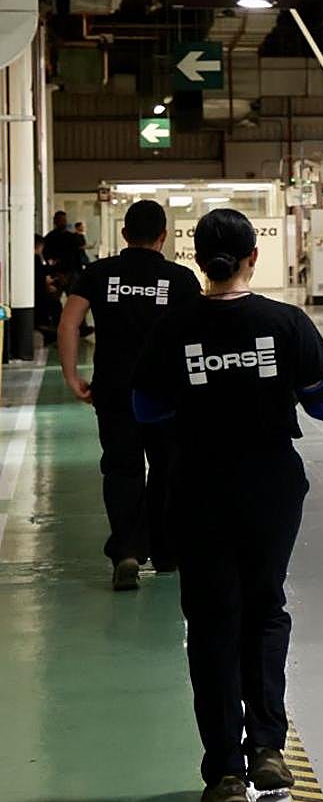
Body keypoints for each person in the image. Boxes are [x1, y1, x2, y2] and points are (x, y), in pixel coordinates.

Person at [132, 209, 323, 802]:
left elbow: (146, 410)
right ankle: (268, 749)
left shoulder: (175, 327)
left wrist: (203, 405)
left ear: (199, 259)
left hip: (197, 485)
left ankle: (223, 772)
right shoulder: (285, 322)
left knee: (211, 622)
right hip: (270, 486)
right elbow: (322, 406)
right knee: (264, 608)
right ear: (254, 256)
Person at [58, 200, 202, 591]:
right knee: (168, 468)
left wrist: (72, 375)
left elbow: (70, 321)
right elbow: (199, 334)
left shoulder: (100, 273)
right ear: (163, 236)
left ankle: (126, 552)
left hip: (114, 388)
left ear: (124, 235)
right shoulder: (179, 279)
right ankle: (167, 550)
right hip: (166, 394)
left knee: (122, 468)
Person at [34, 234, 63, 344]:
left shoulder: (36, 259)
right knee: (55, 305)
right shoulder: (36, 259)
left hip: (39, 293)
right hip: (40, 294)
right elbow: (41, 277)